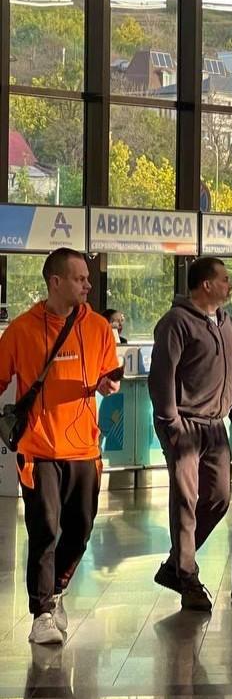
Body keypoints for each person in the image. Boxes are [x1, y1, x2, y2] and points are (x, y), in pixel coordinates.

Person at [149, 257, 232, 611]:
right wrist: (171, 423)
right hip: (184, 425)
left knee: (219, 498)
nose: (230, 285)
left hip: (215, 426)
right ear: (206, 284)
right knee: (186, 501)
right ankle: (187, 575)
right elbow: (161, 377)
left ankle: (175, 564)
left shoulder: (226, 323)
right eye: (225, 279)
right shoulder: (176, 323)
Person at [0, 248, 120, 645]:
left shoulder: (99, 327)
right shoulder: (21, 330)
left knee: (80, 528)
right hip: (39, 449)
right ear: (56, 282)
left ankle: (56, 590)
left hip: (84, 448)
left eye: (87, 278)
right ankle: (42, 614)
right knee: (44, 530)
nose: (88, 284)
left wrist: (107, 384)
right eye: (79, 278)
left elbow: (106, 374)